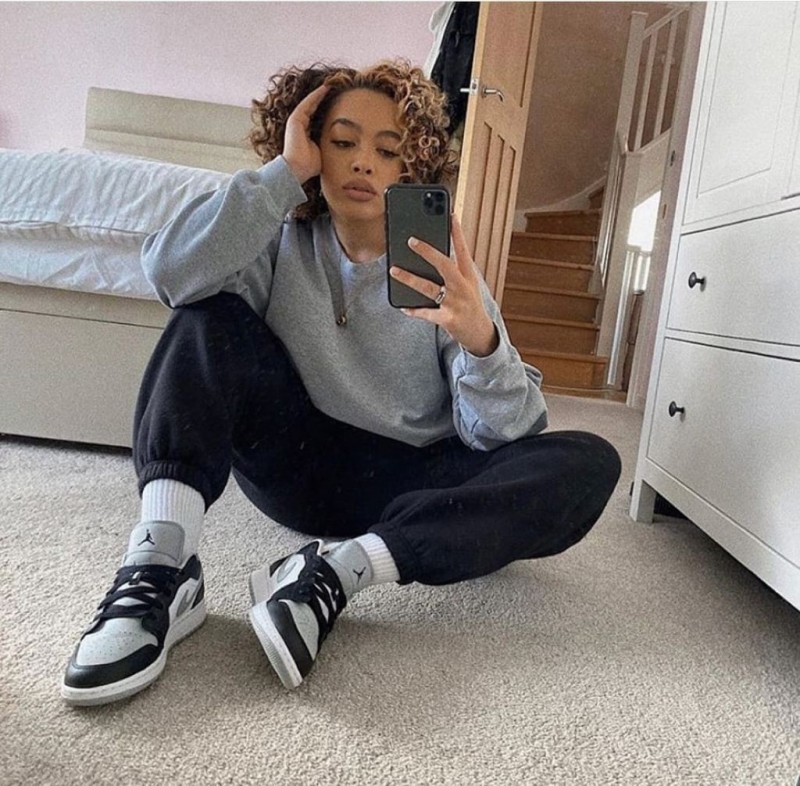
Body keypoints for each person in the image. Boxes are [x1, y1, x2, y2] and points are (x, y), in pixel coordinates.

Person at [61, 60, 621, 705]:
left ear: (411, 167)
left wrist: (480, 340)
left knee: (589, 461)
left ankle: (339, 572)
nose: (362, 163)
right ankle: (161, 565)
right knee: (205, 316)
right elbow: (170, 277)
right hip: (297, 469)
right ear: (312, 148)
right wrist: (282, 177)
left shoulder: (442, 270)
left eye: (388, 150)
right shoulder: (272, 237)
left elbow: (505, 435)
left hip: (416, 486)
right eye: (342, 141)